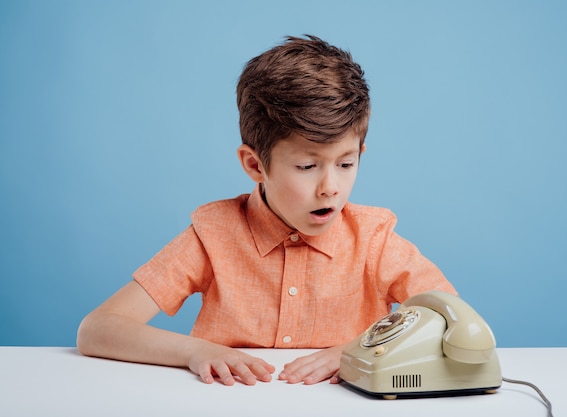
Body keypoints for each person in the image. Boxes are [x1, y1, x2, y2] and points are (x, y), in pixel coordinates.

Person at [76, 35, 456, 387]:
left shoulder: (374, 239)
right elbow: (98, 329)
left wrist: (360, 352)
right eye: (307, 167)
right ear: (256, 165)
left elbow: (457, 324)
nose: (331, 187)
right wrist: (193, 351)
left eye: (346, 163)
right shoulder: (214, 234)